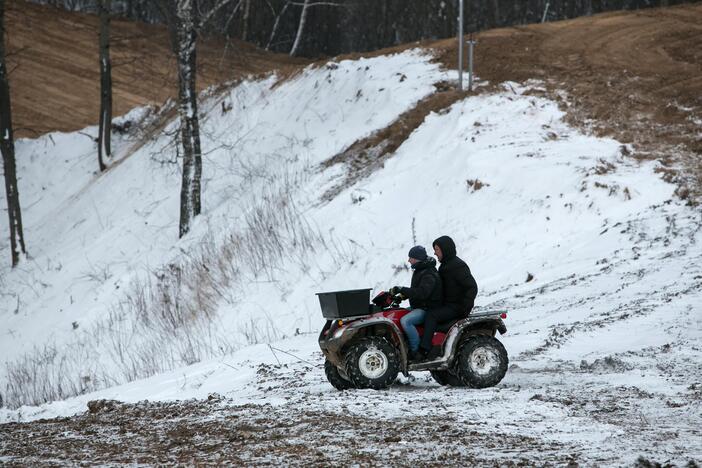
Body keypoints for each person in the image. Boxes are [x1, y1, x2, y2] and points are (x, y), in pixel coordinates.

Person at [417, 235, 478, 358]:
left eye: (437, 249)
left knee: (431, 315)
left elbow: (472, 287)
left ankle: (425, 349)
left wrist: (464, 308)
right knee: (426, 312)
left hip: (456, 307)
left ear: (445, 249)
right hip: (448, 305)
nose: (435, 253)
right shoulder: (445, 266)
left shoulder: (457, 266)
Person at [389, 245, 442, 360]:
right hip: (418, 306)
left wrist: (402, 289)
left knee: (406, 321)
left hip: (427, 309)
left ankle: (416, 350)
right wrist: (401, 297)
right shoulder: (420, 270)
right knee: (398, 315)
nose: (408, 260)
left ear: (417, 258)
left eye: (411, 258)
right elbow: (416, 291)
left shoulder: (429, 273)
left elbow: (422, 293)